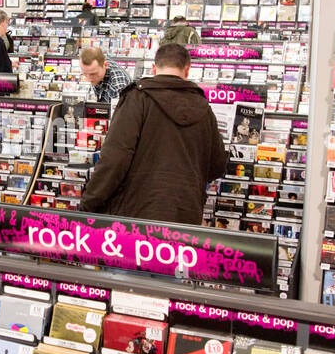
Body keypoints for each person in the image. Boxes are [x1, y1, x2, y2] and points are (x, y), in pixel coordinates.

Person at [80, 43, 227, 225]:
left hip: (137, 215)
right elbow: (218, 165)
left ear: (154, 68)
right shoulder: (204, 109)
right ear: (187, 70)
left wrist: (88, 204)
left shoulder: (136, 98)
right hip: (186, 217)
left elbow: (114, 159)